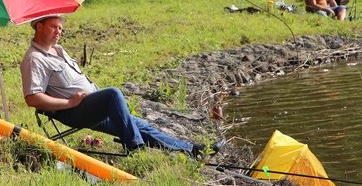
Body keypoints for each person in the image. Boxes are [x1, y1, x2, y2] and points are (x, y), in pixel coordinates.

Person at [20, 14, 223, 157]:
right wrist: (69, 102)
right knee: (113, 94)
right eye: (54, 27)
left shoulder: (59, 50)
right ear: (39, 26)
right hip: (74, 112)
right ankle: (135, 147)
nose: (59, 32)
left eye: (61, 28)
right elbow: (32, 98)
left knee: (139, 125)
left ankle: (193, 150)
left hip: (92, 106)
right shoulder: (35, 59)